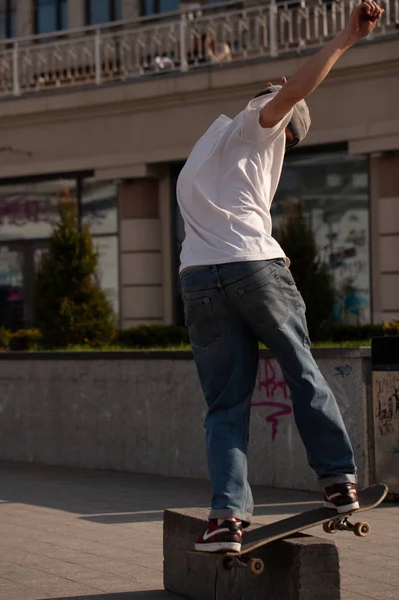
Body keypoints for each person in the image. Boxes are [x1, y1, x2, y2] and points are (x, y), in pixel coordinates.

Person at [176, 1, 384, 553]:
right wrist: (345, 38)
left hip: (200, 280)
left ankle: (225, 518)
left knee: (225, 405)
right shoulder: (251, 130)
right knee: (301, 370)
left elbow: (226, 217)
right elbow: (292, 94)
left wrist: (270, 248)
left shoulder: (215, 142)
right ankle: (339, 481)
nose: (278, 88)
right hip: (249, 269)